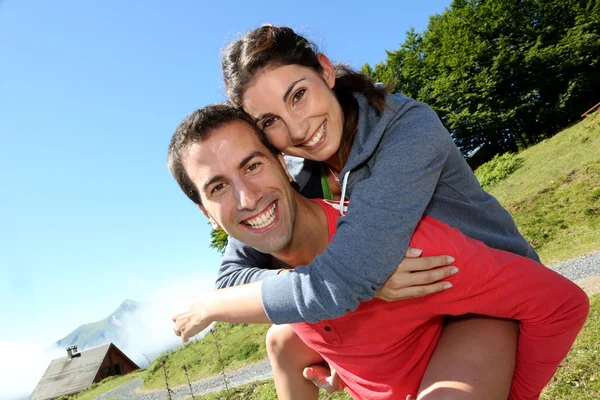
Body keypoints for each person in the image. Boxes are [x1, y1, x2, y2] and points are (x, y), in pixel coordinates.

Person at [167, 103, 589, 400]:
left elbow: (562, 304)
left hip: (455, 366)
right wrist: (346, 361)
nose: (246, 198)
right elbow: (289, 294)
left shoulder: (408, 249)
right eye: (218, 187)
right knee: (280, 339)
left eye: (252, 165)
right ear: (206, 213)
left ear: (284, 162)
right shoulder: (266, 276)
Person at [216, 24, 535, 398]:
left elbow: (355, 273)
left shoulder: (408, 128)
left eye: (299, 95)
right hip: (399, 313)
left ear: (325, 70)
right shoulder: (295, 178)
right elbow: (229, 282)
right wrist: (351, 304)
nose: (298, 129)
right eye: (269, 122)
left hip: (477, 299)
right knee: (282, 340)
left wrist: (358, 287)